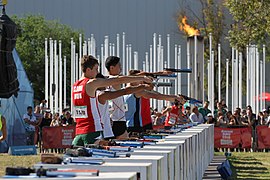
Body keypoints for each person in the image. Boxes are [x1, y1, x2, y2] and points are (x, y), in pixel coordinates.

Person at [72, 55, 152, 146]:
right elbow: (118, 80)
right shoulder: (91, 83)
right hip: (92, 130)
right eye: (96, 69)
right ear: (88, 70)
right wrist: (142, 78)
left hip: (78, 131)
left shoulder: (75, 86)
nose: (97, 72)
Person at [96, 73, 147, 139]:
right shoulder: (102, 94)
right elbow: (125, 91)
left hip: (108, 126)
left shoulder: (94, 94)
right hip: (105, 128)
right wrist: (142, 85)